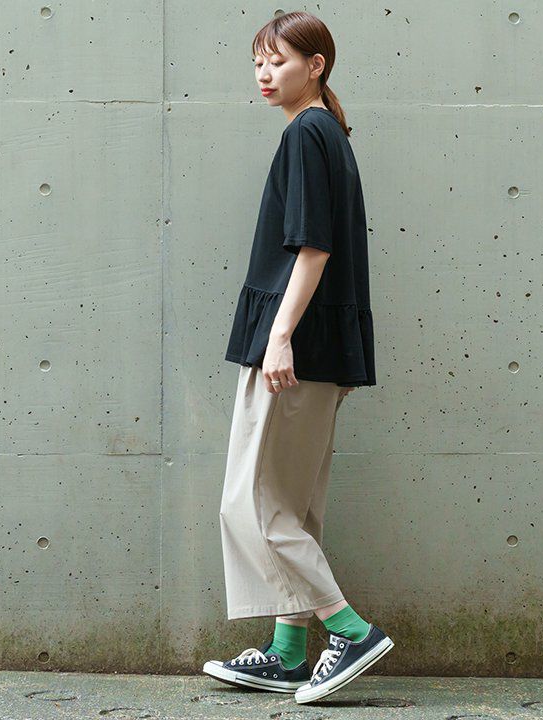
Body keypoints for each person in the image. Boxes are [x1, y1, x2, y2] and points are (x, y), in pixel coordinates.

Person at [202, 11, 393, 704]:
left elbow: (313, 248)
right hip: (317, 348)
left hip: (295, 348)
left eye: (277, 61)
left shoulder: (308, 133)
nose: (264, 73)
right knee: (291, 505)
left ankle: (351, 630)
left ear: (315, 66)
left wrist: (279, 336)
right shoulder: (325, 132)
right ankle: (287, 654)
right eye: (258, 61)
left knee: (255, 506)